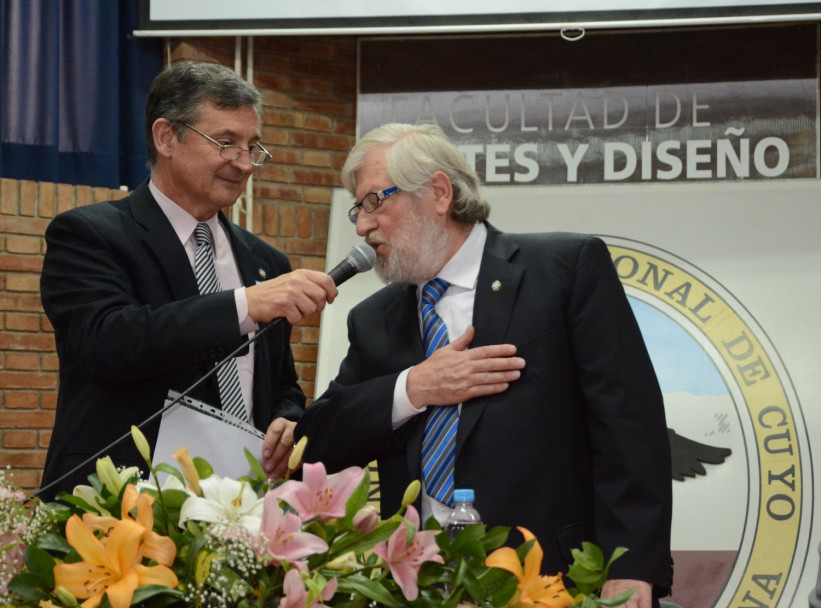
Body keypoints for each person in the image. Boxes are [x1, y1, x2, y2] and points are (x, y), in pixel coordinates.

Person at [294, 123, 673, 608]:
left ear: (438, 192)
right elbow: (316, 444)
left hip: (550, 581)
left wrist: (632, 566)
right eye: (357, 209)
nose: (363, 226)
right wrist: (413, 388)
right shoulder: (375, 319)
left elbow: (629, 427)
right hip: (419, 587)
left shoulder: (563, 270)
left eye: (373, 202)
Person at [39, 61, 336, 499]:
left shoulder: (265, 261)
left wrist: (287, 418)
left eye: (252, 146)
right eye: (226, 143)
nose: (244, 164)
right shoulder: (90, 234)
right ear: (166, 138)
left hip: (238, 509)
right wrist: (243, 306)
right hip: (119, 502)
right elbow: (106, 343)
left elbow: (281, 382)